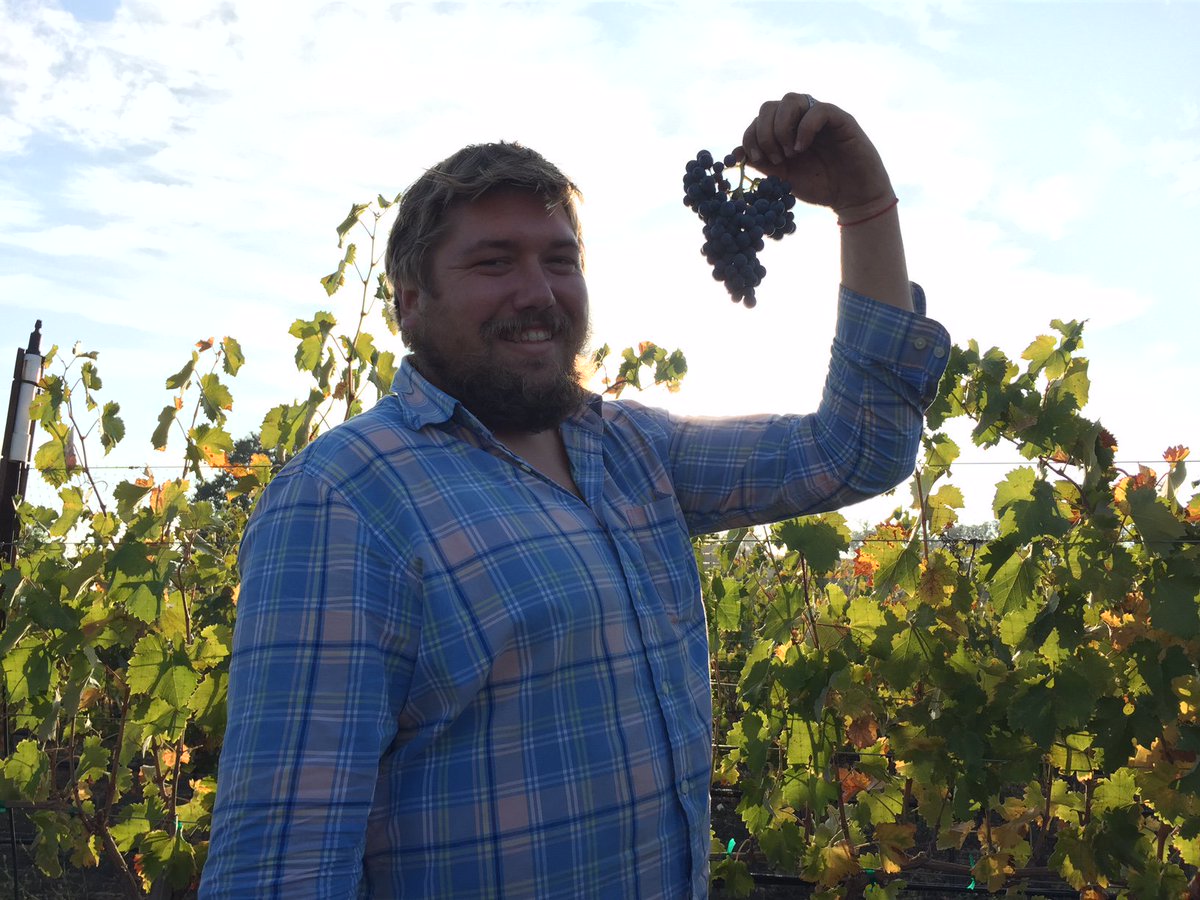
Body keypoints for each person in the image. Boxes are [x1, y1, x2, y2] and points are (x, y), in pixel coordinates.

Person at [201, 92, 951, 899]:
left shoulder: (633, 451)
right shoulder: (344, 504)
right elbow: (281, 872)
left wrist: (865, 206)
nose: (539, 291)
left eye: (560, 261)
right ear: (410, 302)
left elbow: (857, 450)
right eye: (494, 262)